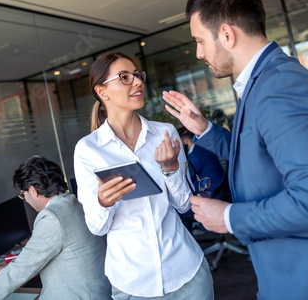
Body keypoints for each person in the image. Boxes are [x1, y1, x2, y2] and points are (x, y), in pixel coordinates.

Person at [162, 0, 308, 300]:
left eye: (199, 40)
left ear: (226, 34)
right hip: (289, 267)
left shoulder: (280, 86)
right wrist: (204, 129)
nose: (198, 53)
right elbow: (257, 156)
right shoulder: (262, 81)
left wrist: (227, 217)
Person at [73, 52, 213, 300]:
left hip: (186, 273)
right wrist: (103, 201)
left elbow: (183, 206)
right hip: (133, 284)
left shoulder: (165, 133)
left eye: (137, 75)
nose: (137, 82)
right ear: (102, 92)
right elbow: (97, 227)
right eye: (124, 77)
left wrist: (170, 169)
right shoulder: (88, 149)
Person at [0, 155, 111, 300]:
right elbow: (34, 257)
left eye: (23, 194)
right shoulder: (74, 203)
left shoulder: (53, 217)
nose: (25, 199)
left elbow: (21, 270)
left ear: (32, 190)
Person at [178, 127, 224, 196]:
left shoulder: (195, 155)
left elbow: (185, 177)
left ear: (186, 141)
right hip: (217, 186)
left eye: (179, 142)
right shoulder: (201, 148)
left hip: (211, 192)